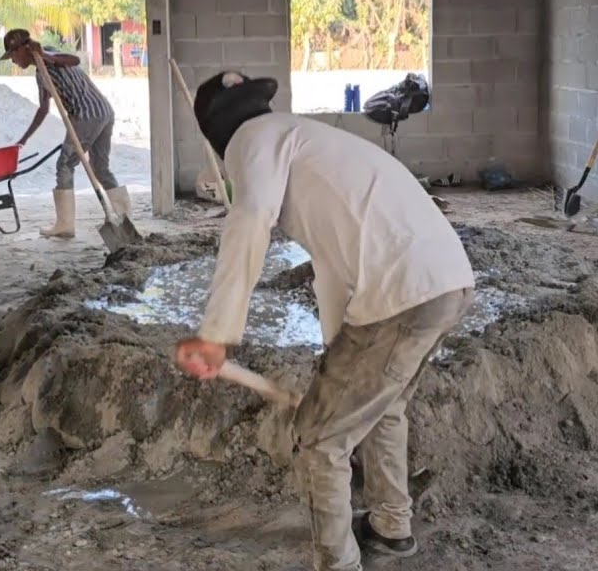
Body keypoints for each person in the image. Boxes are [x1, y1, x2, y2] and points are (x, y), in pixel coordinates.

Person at [174, 71, 475, 571]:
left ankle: (338, 562)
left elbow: (250, 218)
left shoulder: (253, 139)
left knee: (318, 439)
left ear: (218, 135)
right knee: (381, 408)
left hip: (401, 292)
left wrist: (216, 335)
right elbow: (334, 266)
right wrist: (339, 356)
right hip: (449, 282)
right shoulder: (307, 139)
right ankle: (391, 526)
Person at [1, 29, 129, 238]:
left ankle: (65, 224)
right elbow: (44, 109)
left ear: (22, 49)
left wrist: (44, 55)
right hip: (102, 111)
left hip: (87, 114)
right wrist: (24, 139)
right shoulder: (40, 74)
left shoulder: (49, 53)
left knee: (65, 164)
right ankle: (123, 217)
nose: (13, 61)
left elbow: (74, 60)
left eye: (13, 55)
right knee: (100, 167)